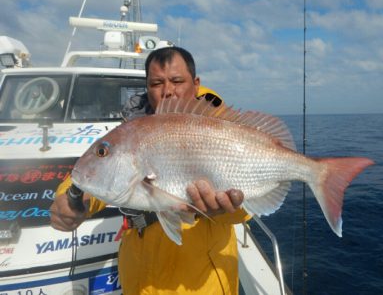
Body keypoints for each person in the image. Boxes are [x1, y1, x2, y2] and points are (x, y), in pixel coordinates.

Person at [50, 46, 250, 294]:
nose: (168, 91)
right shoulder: (132, 131)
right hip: (139, 277)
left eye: (177, 81)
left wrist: (225, 210)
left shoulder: (221, 127)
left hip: (202, 281)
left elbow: (246, 207)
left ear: (195, 84)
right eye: (157, 83)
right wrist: (72, 198)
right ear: (147, 86)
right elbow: (102, 172)